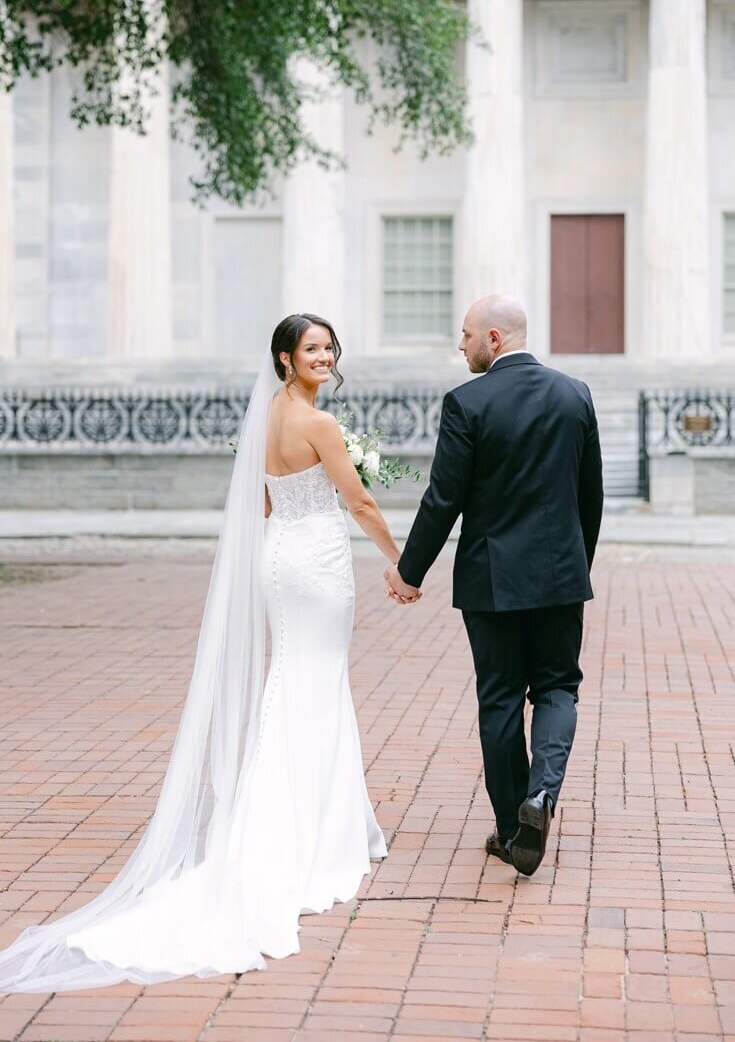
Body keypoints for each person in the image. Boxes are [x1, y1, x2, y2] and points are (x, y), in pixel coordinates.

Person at [0, 313, 409, 992]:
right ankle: (318, 829)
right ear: (284, 358)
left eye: (329, 348)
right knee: (316, 677)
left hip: (280, 559)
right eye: (312, 349)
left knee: (295, 676)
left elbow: (264, 503)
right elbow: (358, 500)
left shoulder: (270, 420)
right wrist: (401, 561)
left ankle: (328, 815)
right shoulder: (321, 426)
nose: (325, 356)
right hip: (317, 562)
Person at [385, 295, 603, 877]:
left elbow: (443, 499)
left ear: (495, 339)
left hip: (492, 581)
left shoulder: (467, 403)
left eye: (466, 335)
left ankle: (513, 831)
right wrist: (576, 564)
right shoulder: (574, 394)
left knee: (501, 698)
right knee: (558, 688)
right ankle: (542, 796)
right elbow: (591, 497)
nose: (461, 346)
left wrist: (409, 573)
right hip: (560, 577)